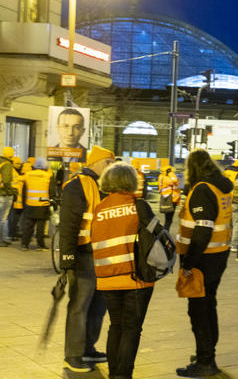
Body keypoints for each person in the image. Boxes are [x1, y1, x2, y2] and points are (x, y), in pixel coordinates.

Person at [91, 162, 155, 379]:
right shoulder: (138, 206)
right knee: (131, 328)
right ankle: (123, 375)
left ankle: (113, 374)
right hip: (135, 278)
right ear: (130, 181)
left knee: (115, 326)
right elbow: (158, 235)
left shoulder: (100, 208)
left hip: (107, 278)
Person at [176, 150, 233, 377]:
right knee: (209, 305)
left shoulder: (202, 189)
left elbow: (203, 228)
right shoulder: (222, 186)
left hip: (203, 258)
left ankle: (206, 362)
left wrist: (189, 262)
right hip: (219, 255)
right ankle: (206, 353)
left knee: (198, 310)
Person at [60, 146, 115, 373]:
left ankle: (88, 349)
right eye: (108, 162)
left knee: (98, 306)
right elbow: (69, 224)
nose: (111, 167)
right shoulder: (76, 186)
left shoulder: (107, 186)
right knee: (79, 307)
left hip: (103, 256)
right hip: (83, 255)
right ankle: (73, 355)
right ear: (96, 162)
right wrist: (67, 258)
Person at [19, 159, 55, 251]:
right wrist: (52, 202)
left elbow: (24, 191)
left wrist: (24, 204)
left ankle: (24, 244)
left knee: (28, 226)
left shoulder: (28, 175)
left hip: (30, 204)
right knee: (41, 226)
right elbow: (51, 191)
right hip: (43, 204)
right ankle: (40, 245)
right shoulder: (48, 176)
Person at [224, 159, 238, 252]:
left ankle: (225, 242)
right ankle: (234, 245)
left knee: (226, 223)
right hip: (235, 201)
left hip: (224, 200)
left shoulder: (224, 172)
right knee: (236, 223)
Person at [0, 147, 17, 247]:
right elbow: (6, 181)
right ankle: (2, 239)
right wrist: (12, 191)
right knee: (3, 218)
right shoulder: (7, 164)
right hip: (4, 194)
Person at [158, 165, 181, 230]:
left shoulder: (161, 176)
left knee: (168, 220)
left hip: (167, 199)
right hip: (171, 200)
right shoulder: (167, 177)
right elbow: (175, 181)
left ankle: (165, 233)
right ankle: (165, 235)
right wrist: (170, 173)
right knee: (168, 220)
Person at [8, 155, 23, 242]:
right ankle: (12, 234)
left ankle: (13, 233)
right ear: (13, 163)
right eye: (17, 163)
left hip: (16, 199)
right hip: (14, 198)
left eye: (20, 163)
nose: (19, 165)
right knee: (12, 218)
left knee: (14, 217)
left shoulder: (16, 172)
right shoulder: (13, 172)